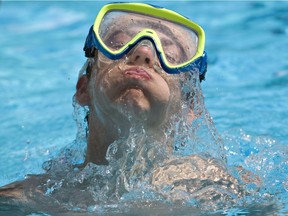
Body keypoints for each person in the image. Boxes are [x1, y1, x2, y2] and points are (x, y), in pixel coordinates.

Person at [0, 3, 251, 211]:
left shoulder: (220, 187)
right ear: (83, 89)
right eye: (118, 44)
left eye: (171, 57)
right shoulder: (33, 196)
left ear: (189, 111)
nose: (143, 53)